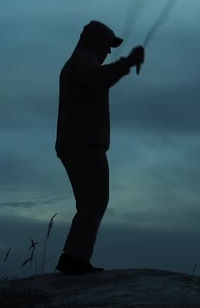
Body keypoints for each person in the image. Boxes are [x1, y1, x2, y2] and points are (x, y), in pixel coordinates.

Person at [55, 20, 145, 274]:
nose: (108, 52)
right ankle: (74, 260)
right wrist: (127, 62)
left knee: (91, 202)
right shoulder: (83, 61)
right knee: (94, 202)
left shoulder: (81, 63)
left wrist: (124, 64)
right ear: (94, 42)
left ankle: (74, 257)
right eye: (106, 45)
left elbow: (98, 79)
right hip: (83, 144)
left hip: (79, 143)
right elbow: (97, 80)